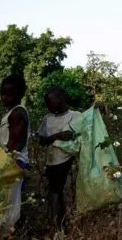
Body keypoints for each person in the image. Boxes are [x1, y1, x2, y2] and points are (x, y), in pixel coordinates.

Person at [37, 86, 81, 231]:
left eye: (51, 102)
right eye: (47, 103)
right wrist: (56, 136)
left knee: (60, 193)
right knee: (56, 193)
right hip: (52, 162)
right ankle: (58, 225)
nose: (48, 106)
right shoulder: (47, 119)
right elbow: (41, 140)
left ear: (61, 100)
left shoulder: (75, 116)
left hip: (68, 162)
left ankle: (63, 225)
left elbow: (87, 133)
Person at [0, 74, 31, 236]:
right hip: (9, 162)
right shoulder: (12, 113)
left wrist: (5, 161)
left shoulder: (17, 113)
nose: (4, 98)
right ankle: (6, 231)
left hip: (13, 163)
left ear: (20, 95)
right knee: (6, 200)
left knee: (10, 202)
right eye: (2, 94)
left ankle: (8, 232)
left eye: (9, 94)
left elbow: (17, 142)